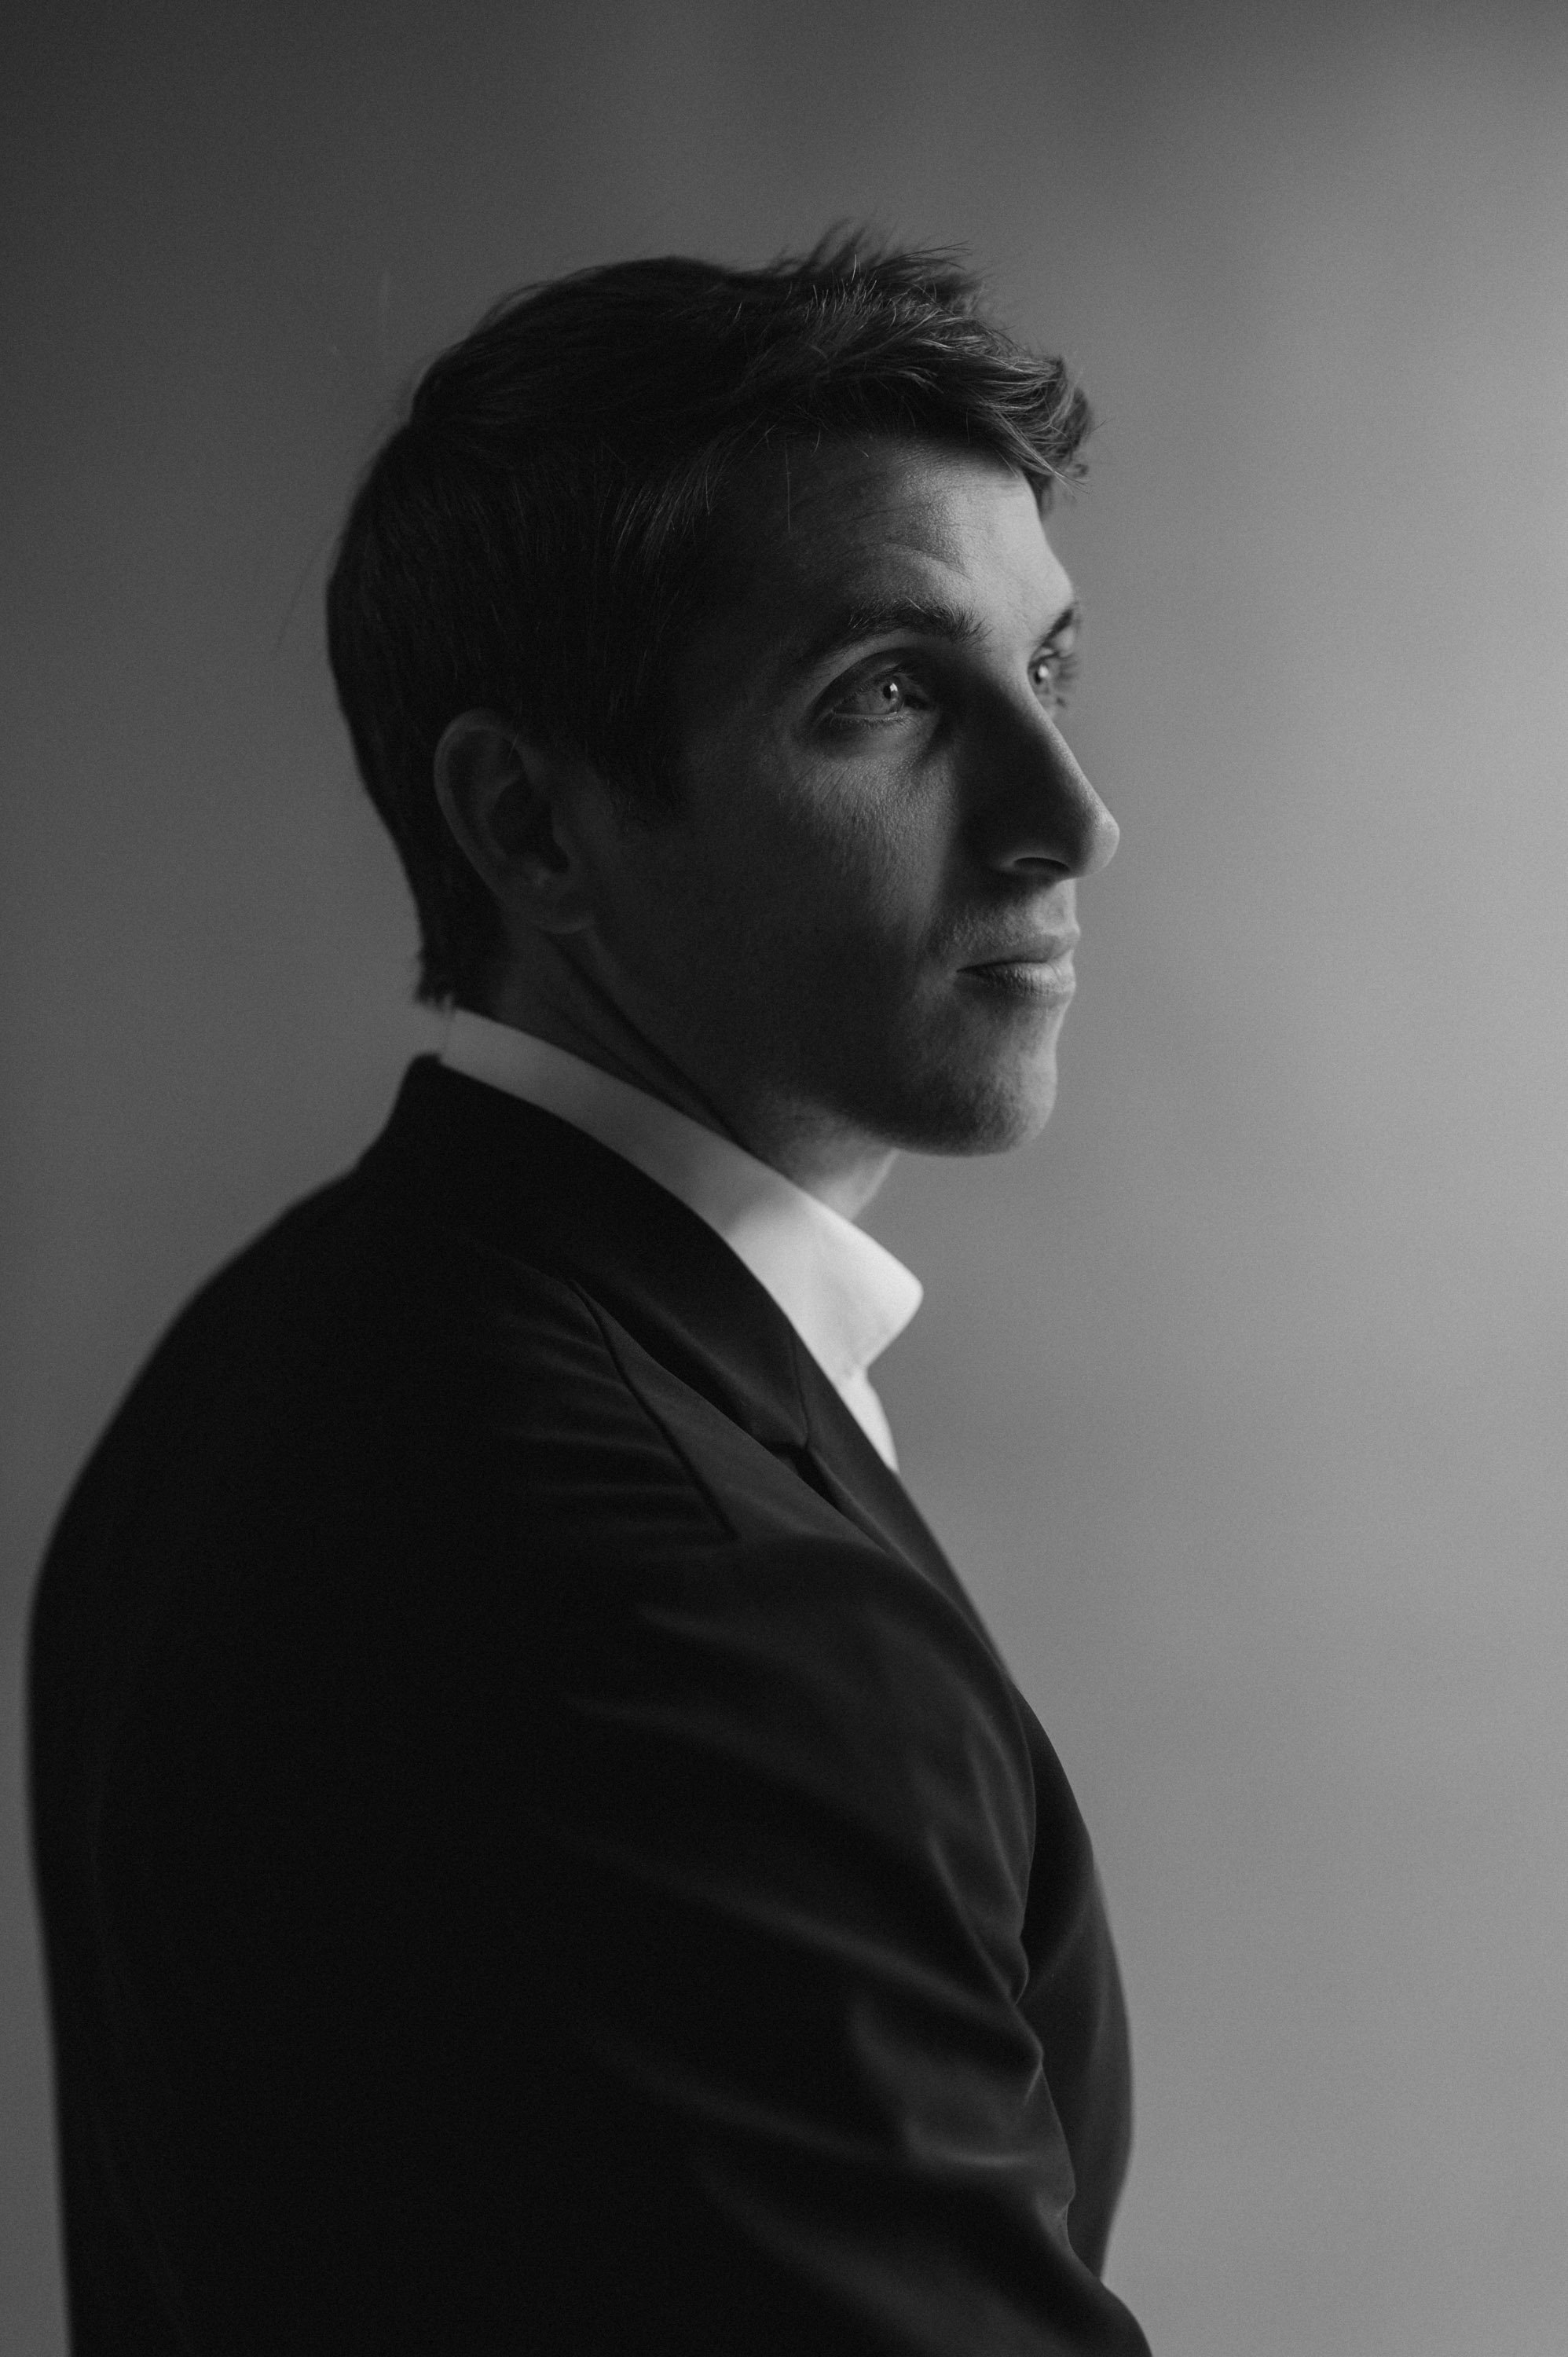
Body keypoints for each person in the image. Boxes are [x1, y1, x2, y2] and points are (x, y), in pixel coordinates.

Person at [29, 233, 1149, 2354]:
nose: (1066, 819)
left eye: (1049, 670)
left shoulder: (288, 1342)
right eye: (888, 693)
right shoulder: (679, 1580)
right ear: (528, 824)